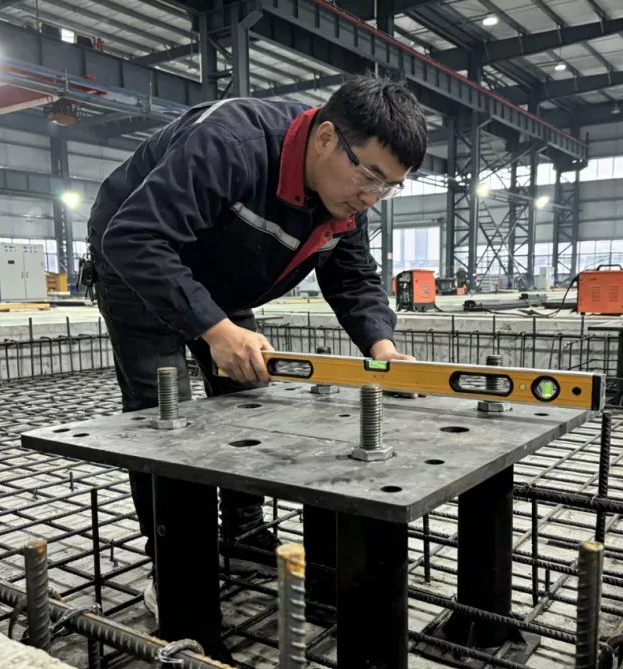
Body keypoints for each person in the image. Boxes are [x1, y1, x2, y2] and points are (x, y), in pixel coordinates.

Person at [82, 74, 428, 617]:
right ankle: (174, 565)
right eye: (369, 176)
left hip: (221, 277)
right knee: (164, 417)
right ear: (326, 138)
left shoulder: (344, 200)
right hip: (137, 262)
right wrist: (216, 330)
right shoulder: (230, 144)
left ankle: (243, 532)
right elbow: (134, 237)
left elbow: (353, 278)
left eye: (388, 188)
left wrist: (382, 347)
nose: (371, 197)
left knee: (246, 395)